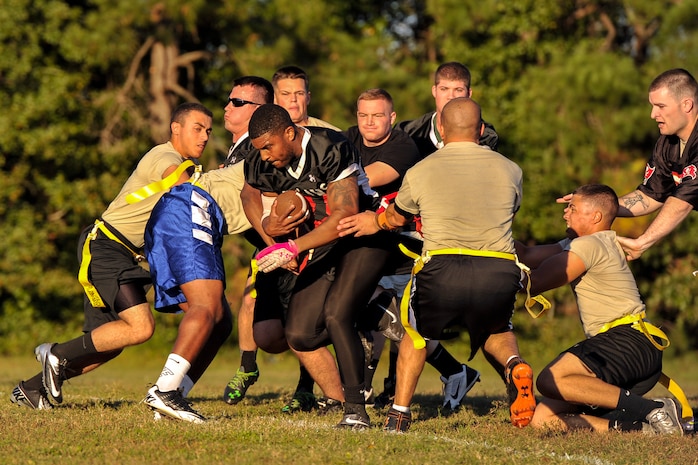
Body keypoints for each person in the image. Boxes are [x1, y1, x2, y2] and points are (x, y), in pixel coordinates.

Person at [337, 97, 536, 432]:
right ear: (482, 130)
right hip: (499, 268)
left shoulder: (422, 170)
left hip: (442, 268)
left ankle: (399, 413)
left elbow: (397, 216)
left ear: (440, 129)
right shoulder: (511, 169)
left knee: (415, 333)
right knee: (497, 329)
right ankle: (515, 364)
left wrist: (376, 220)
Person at [11, 103, 213, 410]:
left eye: (209, 131)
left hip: (132, 258)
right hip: (107, 247)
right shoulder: (166, 156)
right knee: (141, 327)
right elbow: (182, 186)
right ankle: (55, 354)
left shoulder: (185, 165)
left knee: (110, 343)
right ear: (176, 128)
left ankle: (31, 389)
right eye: (198, 128)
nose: (205, 136)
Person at [245, 103, 406, 429]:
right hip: (323, 243)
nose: (264, 156)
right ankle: (376, 308)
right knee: (301, 335)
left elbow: (344, 217)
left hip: (363, 236)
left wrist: (292, 247)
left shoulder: (329, 147)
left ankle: (356, 411)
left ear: (289, 133)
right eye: (259, 149)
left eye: (268, 147)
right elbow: (249, 194)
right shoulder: (260, 158)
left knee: (336, 315)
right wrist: (270, 234)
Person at [343, 88, 480, 411]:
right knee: (364, 312)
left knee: (402, 326)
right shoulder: (347, 139)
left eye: (377, 115)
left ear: (391, 118)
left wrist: (332, 178)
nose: (369, 122)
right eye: (363, 115)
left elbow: (364, 179)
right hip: (374, 247)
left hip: (407, 248)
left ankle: (453, 370)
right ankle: (450, 370)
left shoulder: (404, 146)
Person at [516, 184, 683, 434]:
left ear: (595, 216)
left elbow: (536, 282)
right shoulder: (592, 242)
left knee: (550, 379)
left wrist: (491, 273)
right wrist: (490, 234)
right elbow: (527, 254)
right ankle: (643, 428)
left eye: (572, 208)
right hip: (637, 350)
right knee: (544, 418)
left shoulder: (588, 246)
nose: (565, 213)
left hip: (628, 342)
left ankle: (652, 408)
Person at [142, 160, 258, 423]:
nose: (206, 135)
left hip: (184, 214)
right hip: (190, 208)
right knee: (205, 307)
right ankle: (165, 390)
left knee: (220, 322)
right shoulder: (265, 155)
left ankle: (175, 395)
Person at [558, 69, 698, 261]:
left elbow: (684, 200)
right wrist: (592, 204)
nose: (652, 114)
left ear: (687, 105)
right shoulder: (668, 142)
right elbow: (651, 195)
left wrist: (644, 241)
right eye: (652, 106)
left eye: (660, 106)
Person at [395, 61, 498, 157]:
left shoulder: (485, 135)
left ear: (469, 94)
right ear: (434, 91)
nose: (451, 96)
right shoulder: (407, 133)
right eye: (444, 89)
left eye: (458, 90)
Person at [272, 65, 341, 131]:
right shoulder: (264, 135)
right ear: (274, 99)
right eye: (286, 94)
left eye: (299, 93)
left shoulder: (332, 136)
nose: (293, 99)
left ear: (308, 98)